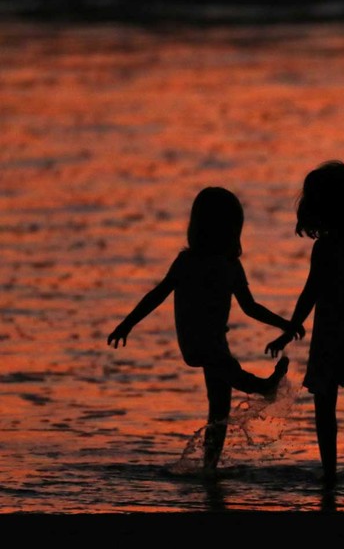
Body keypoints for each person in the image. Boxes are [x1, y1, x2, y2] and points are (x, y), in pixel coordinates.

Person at [107, 186, 301, 474]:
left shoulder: (230, 265)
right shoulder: (189, 262)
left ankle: (210, 467)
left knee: (219, 407)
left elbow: (250, 307)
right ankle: (263, 386)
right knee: (227, 367)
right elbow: (158, 294)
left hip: (216, 340)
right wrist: (127, 324)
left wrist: (285, 324)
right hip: (197, 341)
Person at [265, 161, 344, 487]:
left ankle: (333, 474)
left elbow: (312, 291)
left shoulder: (330, 248)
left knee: (328, 405)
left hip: (335, 335)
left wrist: (290, 328)